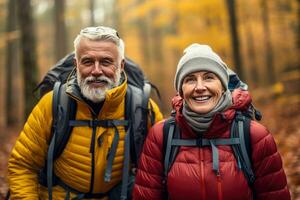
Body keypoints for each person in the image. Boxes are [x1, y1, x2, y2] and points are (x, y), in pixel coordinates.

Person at [8, 26, 163, 199]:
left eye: (106, 62)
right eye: (88, 62)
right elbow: (23, 165)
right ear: (76, 64)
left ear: (121, 65)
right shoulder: (53, 103)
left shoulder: (141, 108)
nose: (96, 71)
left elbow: (161, 173)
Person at [133, 44, 291, 200]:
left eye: (209, 77)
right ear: (181, 90)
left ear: (223, 86)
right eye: (190, 79)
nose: (200, 87)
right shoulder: (161, 136)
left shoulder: (254, 136)